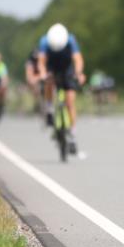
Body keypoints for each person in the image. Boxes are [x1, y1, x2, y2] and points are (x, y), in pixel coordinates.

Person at [36, 23, 86, 153]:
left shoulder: (70, 40)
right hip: (52, 66)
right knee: (48, 82)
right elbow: (41, 62)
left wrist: (79, 73)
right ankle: (49, 107)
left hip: (66, 68)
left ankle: (73, 134)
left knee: (70, 102)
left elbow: (78, 59)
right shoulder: (44, 41)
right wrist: (42, 74)